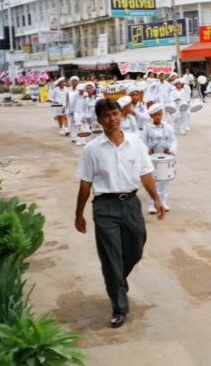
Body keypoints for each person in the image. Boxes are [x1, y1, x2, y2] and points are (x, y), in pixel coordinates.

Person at [75, 98, 165, 329]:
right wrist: (79, 214)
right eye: (106, 116)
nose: (112, 119)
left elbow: (145, 174)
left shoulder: (135, 142)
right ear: (99, 120)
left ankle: (118, 279)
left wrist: (156, 199)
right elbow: (85, 184)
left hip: (131, 203)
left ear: (121, 115)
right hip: (105, 206)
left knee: (136, 249)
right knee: (110, 258)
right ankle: (119, 306)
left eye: (115, 114)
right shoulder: (92, 149)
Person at [141, 103, 177, 214]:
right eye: (155, 115)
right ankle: (152, 204)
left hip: (164, 157)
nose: (158, 117)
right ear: (151, 116)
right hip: (152, 158)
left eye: (160, 114)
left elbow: (173, 140)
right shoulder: (147, 128)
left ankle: (163, 201)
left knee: (164, 180)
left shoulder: (167, 127)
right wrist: (146, 150)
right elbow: (143, 142)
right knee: (152, 180)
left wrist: (172, 150)